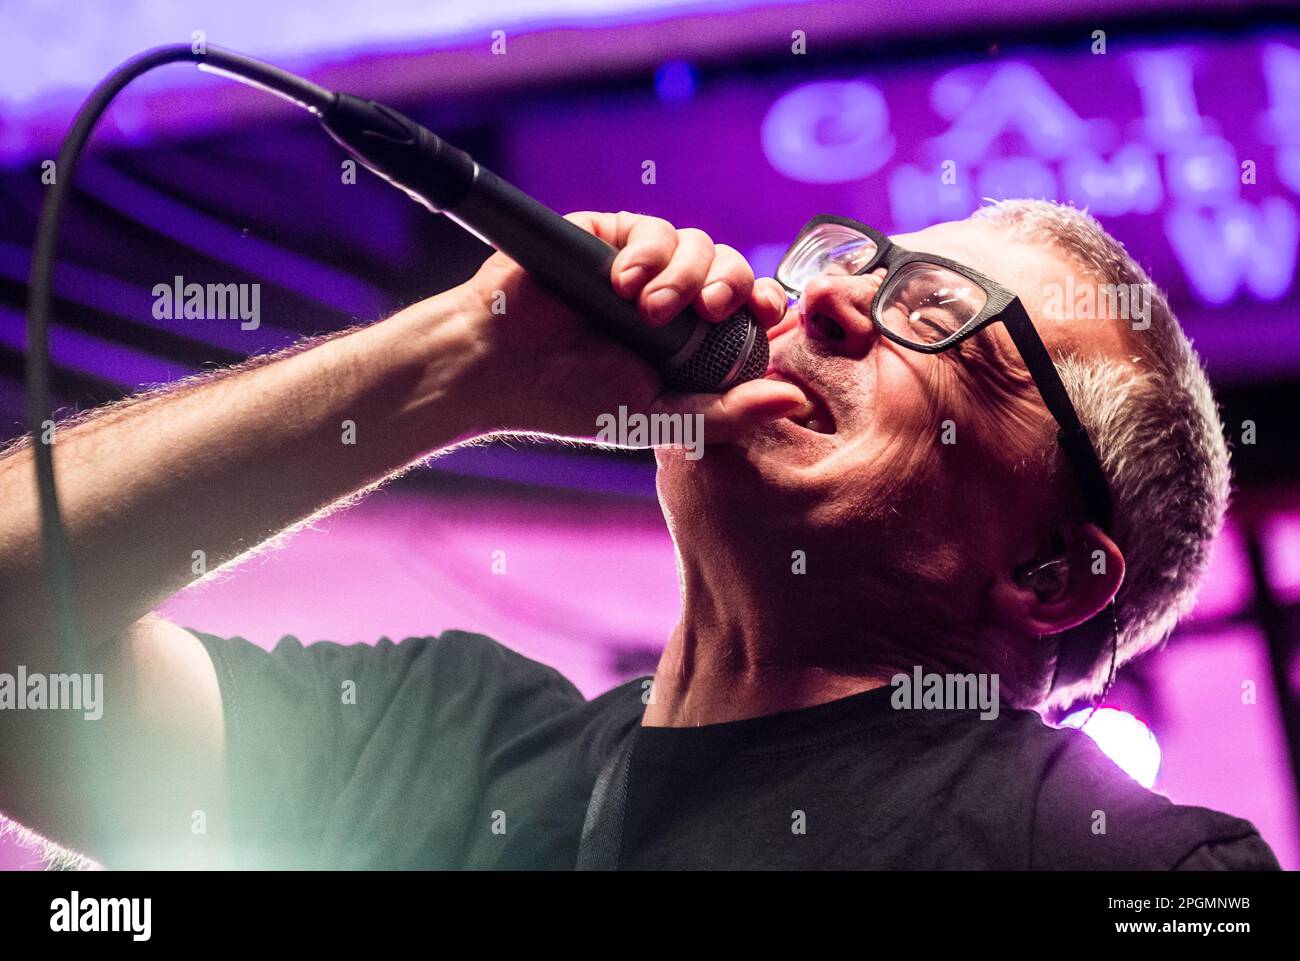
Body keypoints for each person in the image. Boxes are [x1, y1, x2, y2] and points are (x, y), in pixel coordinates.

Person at [0, 199, 1281, 869]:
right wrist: (462, 365)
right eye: (851, 259)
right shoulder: (438, 738)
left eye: (939, 313)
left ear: (1050, 571)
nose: (823, 296)